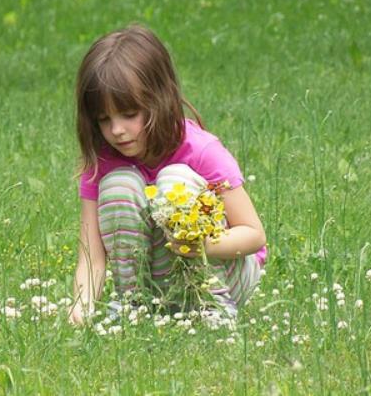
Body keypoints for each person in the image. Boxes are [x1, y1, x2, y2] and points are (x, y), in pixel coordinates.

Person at [69, 25, 267, 325]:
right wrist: (81, 309)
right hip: (161, 282)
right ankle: (134, 305)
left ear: (158, 99)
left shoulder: (201, 150)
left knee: (175, 180)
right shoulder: (102, 162)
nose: (117, 130)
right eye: (103, 119)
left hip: (226, 272)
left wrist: (198, 244)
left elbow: (254, 236)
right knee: (118, 185)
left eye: (129, 114)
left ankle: (211, 307)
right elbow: (92, 254)